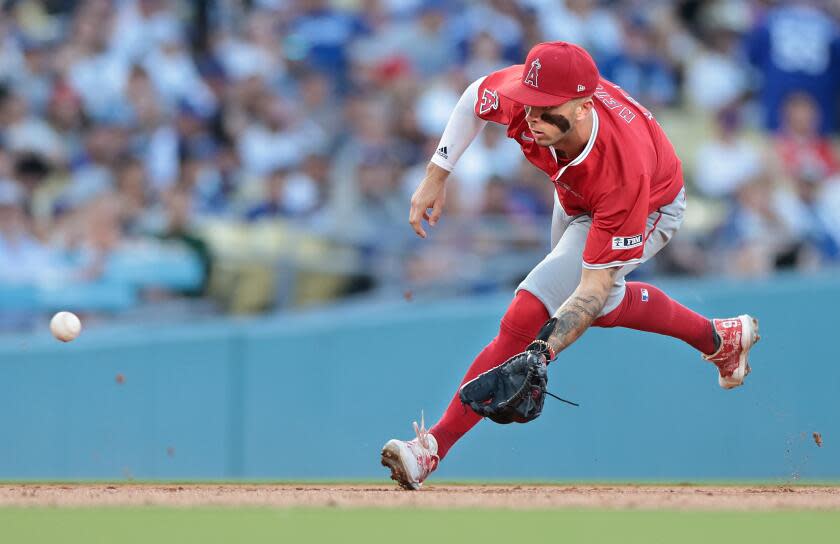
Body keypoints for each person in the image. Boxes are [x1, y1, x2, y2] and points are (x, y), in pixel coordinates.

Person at [380, 42, 761, 490]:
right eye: (529, 102)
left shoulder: (622, 170)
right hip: (576, 195)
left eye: (546, 109)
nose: (531, 117)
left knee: (530, 312)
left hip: (647, 203)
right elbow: (474, 97)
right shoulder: (530, 103)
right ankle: (720, 338)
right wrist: (436, 173)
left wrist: (542, 352)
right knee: (584, 304)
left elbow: (593, 287)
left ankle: (431, 449)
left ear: (583, 107)